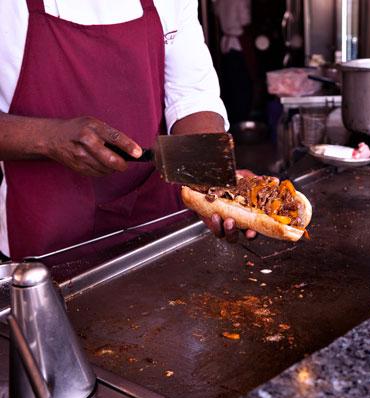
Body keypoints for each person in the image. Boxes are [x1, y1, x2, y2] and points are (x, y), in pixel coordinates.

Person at [0, 0, 254, 261]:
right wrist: (48, 138)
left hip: (157, 232)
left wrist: (211, 185)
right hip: (46, 244)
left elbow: (191, 95)